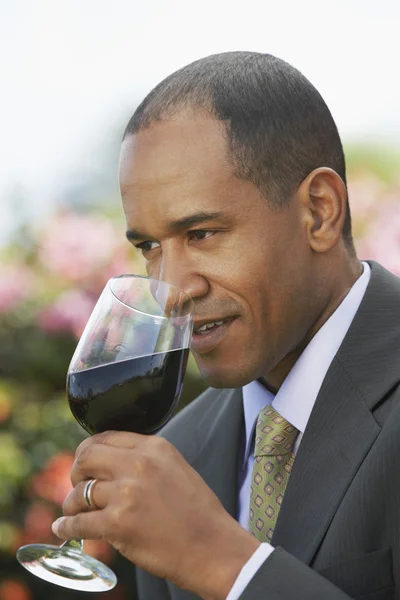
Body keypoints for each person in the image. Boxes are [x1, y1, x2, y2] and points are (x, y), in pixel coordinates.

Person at [52, 52, 400, 600]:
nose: (173, 289)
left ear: (320, 212)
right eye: (148, 246)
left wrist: (222, 563)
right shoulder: (182, 448)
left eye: (203, 234)